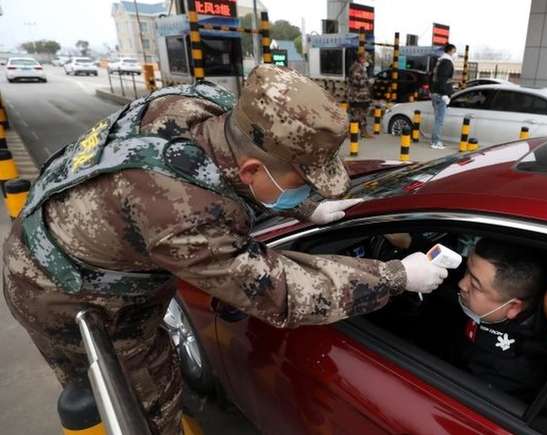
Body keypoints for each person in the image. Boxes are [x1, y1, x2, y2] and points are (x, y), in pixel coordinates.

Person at [2, 65, 448, 435]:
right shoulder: (181, 214)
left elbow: (240, 173)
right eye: (304, 182)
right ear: (253, 168)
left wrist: (309, 207)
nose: (307, 189)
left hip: (79, 228)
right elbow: (283, 292)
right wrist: (399, 276)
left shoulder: (206, 109)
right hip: (63, 290)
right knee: (140, 397)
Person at [447, 238, 547, 401]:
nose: (461, 284)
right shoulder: (499, 287)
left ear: (513, 307)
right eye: (468, 271)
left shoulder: (502, 372)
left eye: (474, 284)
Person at [430, 43, 456, 150]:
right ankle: (436, 142)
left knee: (437, 119)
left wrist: (432, 90)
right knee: (439, 120)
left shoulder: (439, 61)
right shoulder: (447, 62)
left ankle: (435, 141)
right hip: (441, 95)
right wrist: (445, 94)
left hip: (435, 93)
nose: (455, 54)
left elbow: (432, 76)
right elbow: (443, 79)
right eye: (454, 51)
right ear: (450, 51)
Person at [347, 52, 372, 138]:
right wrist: (368, 82)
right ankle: (350, 132)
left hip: (362, 97)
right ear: (361, 58)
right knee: (355, 115)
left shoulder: (362, 67)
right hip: (356, 97)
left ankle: (363, 132)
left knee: (362, 114)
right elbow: (356, 81)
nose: (367, 61)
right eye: (366, 59)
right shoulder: (356, 67)